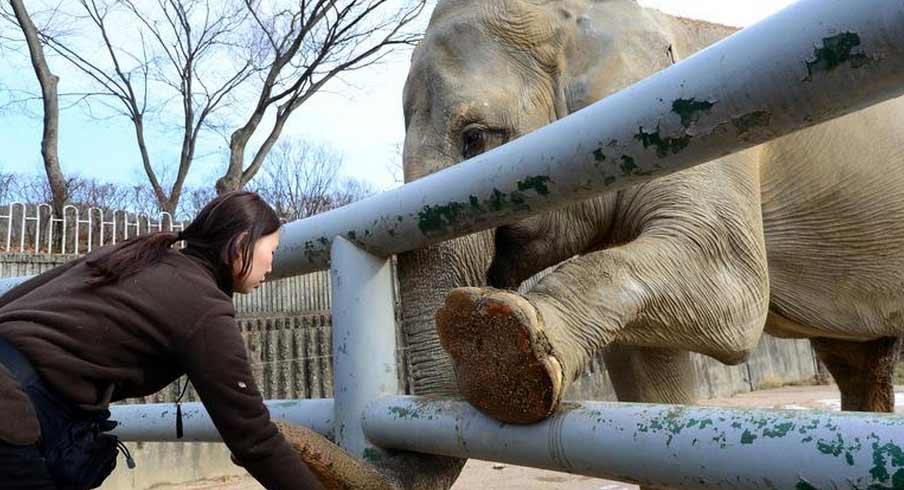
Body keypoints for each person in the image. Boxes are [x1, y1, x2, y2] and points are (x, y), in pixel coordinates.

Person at [0, 191, 324, 489]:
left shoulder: (138, 254)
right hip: (13, 410)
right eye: (272, 251)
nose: (272, 264)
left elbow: (19, 296)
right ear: (241, 246)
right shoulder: (202, 306)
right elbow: (253, 437)